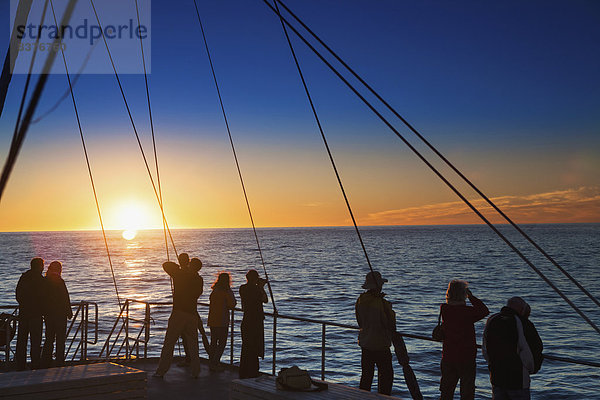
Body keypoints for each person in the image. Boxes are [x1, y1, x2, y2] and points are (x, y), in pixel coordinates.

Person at [482, 297, 543, 400]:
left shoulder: (492, 319)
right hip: (517, 378)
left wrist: (492, 363)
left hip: (497, 375)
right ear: (521, 309)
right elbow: (533, 349)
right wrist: (531, 368)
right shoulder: (523, 323)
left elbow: (485, 347)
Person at [154, 253, 203, 378]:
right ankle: (196, 371)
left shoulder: (180, 274)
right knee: (193, 344)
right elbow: (197, 294)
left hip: (179, 313)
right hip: (192, 315)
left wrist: (181, 266)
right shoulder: (199, 279)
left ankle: (161, 371)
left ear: (189, 264)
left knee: (169, 343)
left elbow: (165, 265)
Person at [439, 280, 489, 400]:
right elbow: (484, 311)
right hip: (466, 357)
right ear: (463, 294)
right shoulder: (468, 312)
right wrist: (471, 297)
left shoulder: (445, 309)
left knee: (446, 391)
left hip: (448, 356)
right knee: (467, 393)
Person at [355, 270, 395, 395]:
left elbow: (359, 321)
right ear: (379, 286)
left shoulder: (360, 300)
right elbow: (390, 325)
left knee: (366, 377)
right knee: (386, 377)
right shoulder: (381, 303)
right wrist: (388, 307)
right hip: (381, 345)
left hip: (366, 343)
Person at [15, 257, 46, 370]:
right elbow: (44, 298)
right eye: (42, 266)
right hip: (36, 315)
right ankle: (35, 364)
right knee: (35, 341)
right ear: (39, 267)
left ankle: (20, 365)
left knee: (21, 341)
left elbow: (18, 295)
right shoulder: (41, 280)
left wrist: (24, 305)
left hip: (23, 314)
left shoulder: (24, 278)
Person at [41, 261, 73, 368]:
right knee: (60, 339)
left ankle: (46, 360)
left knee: (49, 338)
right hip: (60, 314)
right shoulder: (59, 281)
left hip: (48, 314)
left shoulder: (45, 281)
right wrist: (69, 312)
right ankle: (59, 360)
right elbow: (65, 298)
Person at [239, 269, 268, 378]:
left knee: (246, 346)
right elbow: (265, 300)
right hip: (256, 321)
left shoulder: (242, 288)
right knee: (255, 346)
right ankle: (253, 371)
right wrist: (261, 287)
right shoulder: (257, 289)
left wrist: (258, 285)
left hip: (246, 319)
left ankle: (244, 370)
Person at [207, 272, 236, 371]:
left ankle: (212, 362)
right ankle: (215, 363)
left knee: (214, 342)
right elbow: (232, 304)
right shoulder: (226, 291)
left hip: (212, 319)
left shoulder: (215, 290)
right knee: (222, 343)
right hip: (222, 320)